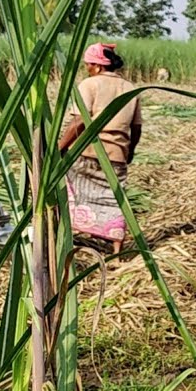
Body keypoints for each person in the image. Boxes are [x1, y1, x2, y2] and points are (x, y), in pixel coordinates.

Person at [57, 43, 143, 253]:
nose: (87, 68)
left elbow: (79, 121)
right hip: (117, 154)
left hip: (86, 152)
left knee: (71, 193)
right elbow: (136, 127)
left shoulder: (90, 84)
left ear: (97, 66)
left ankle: (66, 238)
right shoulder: (131, 88)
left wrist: (59, 147)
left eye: (88, 64)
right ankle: (116, 249)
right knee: (114, 198)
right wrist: (130, 151)